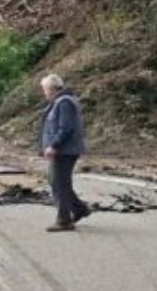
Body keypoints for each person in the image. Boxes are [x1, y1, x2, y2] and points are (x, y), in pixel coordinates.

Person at [40, 73, 90, 232]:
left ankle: (64, 220)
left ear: (51, 89)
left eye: (45, 89)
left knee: (59, 184)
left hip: (64, 150)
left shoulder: (64, 103)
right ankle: (79, 209)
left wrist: (54, 145)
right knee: (56, 181)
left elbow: (65, 128)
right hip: (63, 150)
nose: (44, 92)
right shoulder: (60, 102)